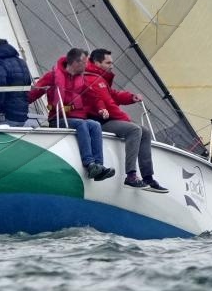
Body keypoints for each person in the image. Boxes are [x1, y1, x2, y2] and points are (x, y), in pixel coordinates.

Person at [80, 49, 166, 192]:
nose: (112, 66)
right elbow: (109, 104)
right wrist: (127, 120)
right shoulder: (93, 79)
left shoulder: (98, 78)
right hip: (98, 122)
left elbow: (113, 95)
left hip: (105, 120)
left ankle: (148, 177)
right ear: (96, 63)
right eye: (108, 63)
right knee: (134, 129)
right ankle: (131, 176)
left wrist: (131, 97)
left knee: (145, 132)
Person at [28, 48, 114, 181]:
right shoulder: (52, 76)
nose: (87, 66)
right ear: (75, 62)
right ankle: (90, 164)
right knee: (81, 124)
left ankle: (99, 165)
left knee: (95, 125)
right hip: (58, 119)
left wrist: (101, 108)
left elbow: (94, 97)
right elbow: (34, 93)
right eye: (84, 63)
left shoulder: (82, 79)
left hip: (78, 118)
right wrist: (13, 106)